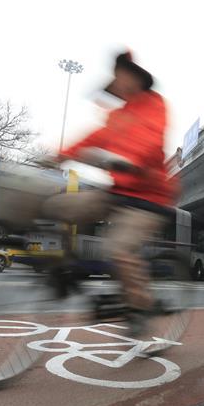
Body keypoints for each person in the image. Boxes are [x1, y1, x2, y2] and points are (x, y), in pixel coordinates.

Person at [43, 51, 177, 335]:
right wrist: (58, 156)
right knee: (53, 206)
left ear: (134, 77)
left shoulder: (155, 105)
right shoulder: (116, 116)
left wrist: (130, 160)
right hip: (117, 192)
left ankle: (139, 306)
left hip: (149, 199)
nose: (116, 81)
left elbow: (151, 139)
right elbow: (92, 139)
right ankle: (64, 268)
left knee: (117, 249)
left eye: (120, 74)